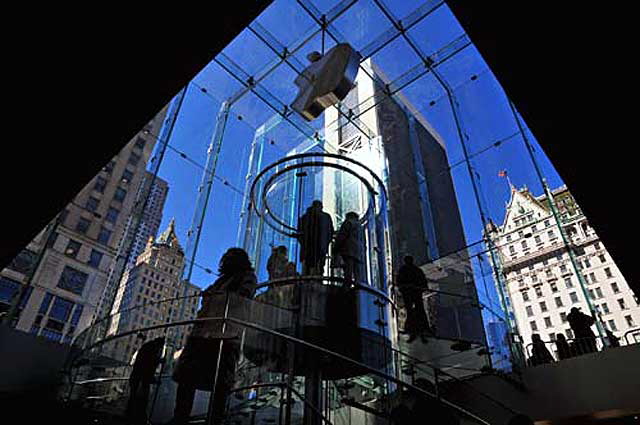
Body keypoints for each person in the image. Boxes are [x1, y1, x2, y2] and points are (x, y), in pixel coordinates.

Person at [170, 248, 257, 425]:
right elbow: (207, 296)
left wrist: (218, 297)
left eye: (230, 257)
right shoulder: (221, 280)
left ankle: (214, 420)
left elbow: (243, 297)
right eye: (226, 257)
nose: (226, 260)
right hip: (203, 334)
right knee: (187, 380)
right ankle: (180, 418)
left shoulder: (247, 276)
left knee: (220, 385)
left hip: (225, 336)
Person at [126, 334, 165, 424]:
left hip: (137, 377)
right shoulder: (152, 349)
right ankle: (137, 417)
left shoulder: (148, 347)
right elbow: (148, 367)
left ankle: (131, 415)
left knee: (133, 397)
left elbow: (146, 365)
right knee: (140, 398)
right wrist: (159, 361)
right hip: (141, 379)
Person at [396, 256, 431, 343]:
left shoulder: (408, 270)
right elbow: (399, 282)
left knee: (417, 311)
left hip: (413, 293)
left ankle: (420, 330)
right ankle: (418, 330)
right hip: (411, 293)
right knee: (415, 311)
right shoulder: (412, 270)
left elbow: (399, 282)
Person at [297, 200, 334, 275]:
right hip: (320, 246)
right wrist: (326, 242)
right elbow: (330, 232)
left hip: (309, 246)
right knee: (319, 265)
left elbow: (300, 233)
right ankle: (317, 278)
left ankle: (308, 278)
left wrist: (303, 242)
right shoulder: (326, 217)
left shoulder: (305, 217)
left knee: (309, 265)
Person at [333, 212, 364, 284]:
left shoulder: (348, 223)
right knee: (357, 273)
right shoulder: (360, 226)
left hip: (348, 251)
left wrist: (335, 248)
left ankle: (346, 288)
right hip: (358, 253)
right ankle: (358, 289)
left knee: (348, 271)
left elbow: (342, 236)